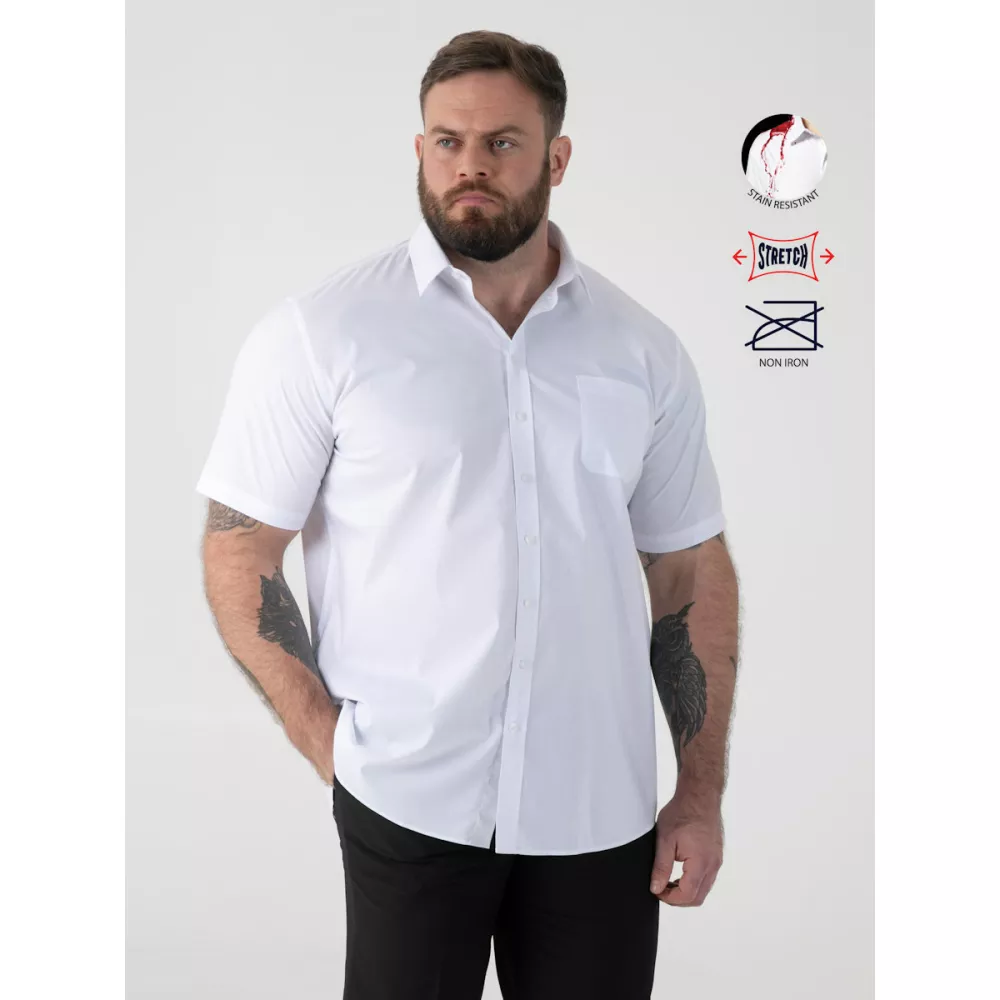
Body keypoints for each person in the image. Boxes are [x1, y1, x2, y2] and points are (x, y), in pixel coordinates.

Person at [196, 28, 740, 1000]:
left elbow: (687, 570)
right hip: (409, 802)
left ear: (556, 159)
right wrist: (332, 745)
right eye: (447, 142)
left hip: (599, 813)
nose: (469, 167)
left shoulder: (641, 351)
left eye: (501, 143)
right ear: (419, 150)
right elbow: (240, 552)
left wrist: (697, 794)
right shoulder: (322, 335)